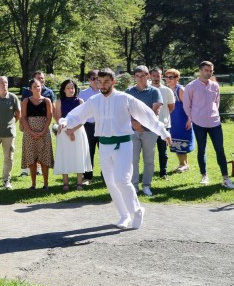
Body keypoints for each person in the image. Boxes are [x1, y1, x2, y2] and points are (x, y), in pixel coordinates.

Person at [60, 68, 171, 229]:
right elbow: (78, 114)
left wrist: (162, 132)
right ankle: (124, 215)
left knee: (122, 180)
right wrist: (65, 121)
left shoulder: (125, 98)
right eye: (100, 81)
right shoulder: (94, 100)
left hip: (123, 144)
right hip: (104, 146)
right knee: (111, 183)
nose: (102, 85)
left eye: (106, 81)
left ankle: (137, 210)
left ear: (114, 82)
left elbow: (146, 115)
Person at [184, 61, 234, 189]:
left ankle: (226, 178)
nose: (209, 73)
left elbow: (216, 102)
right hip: (199, 122)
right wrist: (191, 118)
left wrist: (215, 114)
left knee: (220, 149)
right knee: (201, 149)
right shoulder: (191, 86)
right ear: (200, 70)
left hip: (214, 122)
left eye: (211, 70)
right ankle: (204, 176)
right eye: (206, 70)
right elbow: (186, 105)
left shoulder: (215, 85)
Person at [126, 66, 163, 197]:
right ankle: (134, 186)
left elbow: (155, 111)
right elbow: (125, 110)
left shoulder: (154, 91)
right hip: (133, 131)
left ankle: (147, 185)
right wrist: (134, 123)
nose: (140, 78)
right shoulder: (129, 91)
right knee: (133, 160)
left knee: (149, 160)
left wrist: (141, 124)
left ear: (148, 76)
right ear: (134, 77)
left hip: (150, 131)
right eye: (137, 76)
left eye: (143, 76)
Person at [53, 79, 92, 191]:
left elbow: (83, 119)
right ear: (64, 90)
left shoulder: (80, 101)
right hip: (64, 132)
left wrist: (73, 130)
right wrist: (67, 130)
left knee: (79, 155)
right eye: (68, 88)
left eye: (72, 88)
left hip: (78, 131)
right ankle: (65, 183)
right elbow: (58, 118)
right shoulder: (59, 101)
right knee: (64, 155)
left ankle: (79, 183)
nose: (71, 90)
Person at [20, 71, 56, 177]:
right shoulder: (26, 93)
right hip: (29, 126)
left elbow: (52, 111)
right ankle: (26, 170)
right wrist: (22, 124)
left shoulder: (49, 93)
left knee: (43, 150)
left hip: (43, 127)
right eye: (38, 78)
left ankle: (39, 170)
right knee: (30, 150)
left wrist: (50, 126)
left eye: (42, 78)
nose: (41, 80)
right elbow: (23, 112)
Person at [165, 68, 195, 172]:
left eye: (171, 77)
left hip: (182, 119)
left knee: (183, 141)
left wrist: (190, 119)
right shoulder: (168, 90)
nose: (168, 79)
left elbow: (189, 105)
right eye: (167, 77)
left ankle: (183, 164)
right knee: (175, 141)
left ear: (177, 78)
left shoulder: (180, 89)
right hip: (173, 120)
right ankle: (183, 164)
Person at [150, 67, 175, 180]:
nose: (156, 78)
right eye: (154, 75)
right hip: (149, 126)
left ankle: (163, 173)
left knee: (163, 151)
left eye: (158, 75)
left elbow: (171, 107)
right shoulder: (147, 89)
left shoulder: (167, 91)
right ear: (150, 76)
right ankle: (149, 173)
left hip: (164, 125)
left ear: (162, 76)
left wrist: (163, 117)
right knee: (149, 152)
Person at [77, 70, 102, 184]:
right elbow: (80, 111)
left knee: (104, 151)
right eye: (93, 78)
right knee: (88, 152)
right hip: (88, 126)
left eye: (98, 78)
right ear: (88, 80)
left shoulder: (105, 91)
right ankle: (87, 177)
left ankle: (106, 176)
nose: (96, 81)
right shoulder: (83, 94)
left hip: (102, 125)